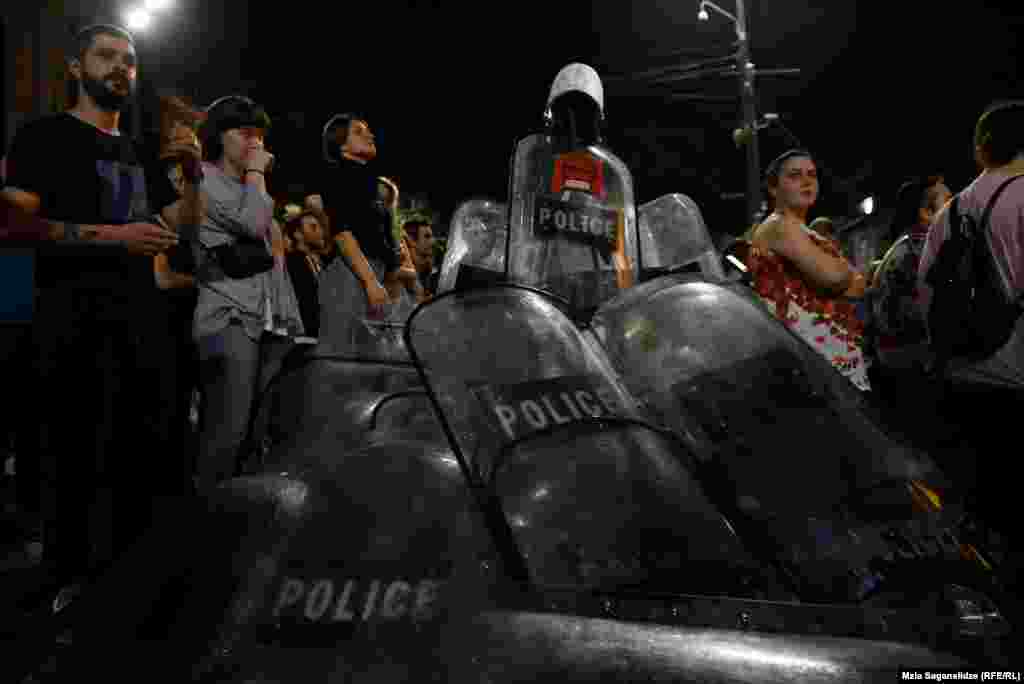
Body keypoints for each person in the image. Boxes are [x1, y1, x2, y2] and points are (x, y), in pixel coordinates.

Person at [1, 24, 180, 599]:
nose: (121, 67)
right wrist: (112, 236)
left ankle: (124, 587)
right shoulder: (44, 137)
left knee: (137, 456)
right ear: (76, 68)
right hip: (69, 320)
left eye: (130, 60)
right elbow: (12, 224)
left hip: (140, 320)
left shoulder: (140, 150)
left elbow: (179, 227)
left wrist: (192, 168)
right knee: (73, 457)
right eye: (106, 56)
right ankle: (65, 587)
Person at [173, 95, 304, 490]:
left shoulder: (249, 184)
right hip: (228, 317)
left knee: (254, 435)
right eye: (246, 133)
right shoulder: (203, 179)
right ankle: (203, 517)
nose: (256, 143)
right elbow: (252, 223)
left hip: (266, 321)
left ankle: (236, 518)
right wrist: (257, 172)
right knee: (226, 434)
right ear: (219, 135)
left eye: (260, 135)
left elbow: (271, 254)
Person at [745, 149, 871, 391]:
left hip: (826, 360)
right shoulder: (779, 225)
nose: (807, 181)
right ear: (773, 188)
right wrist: (844, 270)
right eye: (795, 175)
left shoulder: (800, 230)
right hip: (810, 366)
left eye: (812, 175)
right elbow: (835, 278)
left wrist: (843, 273)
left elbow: (857, 285)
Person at [318, 113, 401, 318]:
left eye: (369, 131)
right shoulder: (338, 175)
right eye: (358, 132)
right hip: (352, 274)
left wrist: (388, 275)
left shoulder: (367, 179)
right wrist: (370, 281)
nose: (370, 136)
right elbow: (342, 233)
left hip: (370, 275)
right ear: (341, 145)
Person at [867, 175, 950, 374]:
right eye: (948, 201)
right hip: (909, 364)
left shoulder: (910, 245)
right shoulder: (920, 251)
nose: (957, 206)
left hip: (897, 360)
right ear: (926, 212)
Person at [284, 209, 329, 337]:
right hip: (304, 336)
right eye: (313, 227)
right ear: (298, 234)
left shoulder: (325, 263)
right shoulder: (291, 263)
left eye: (320, 227)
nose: (320, 231)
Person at [403, 218, 439, 297]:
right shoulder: (403, 284)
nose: (433, 241)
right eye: (427, 236)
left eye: (432, 236)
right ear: (411, 240)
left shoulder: (436, 279)